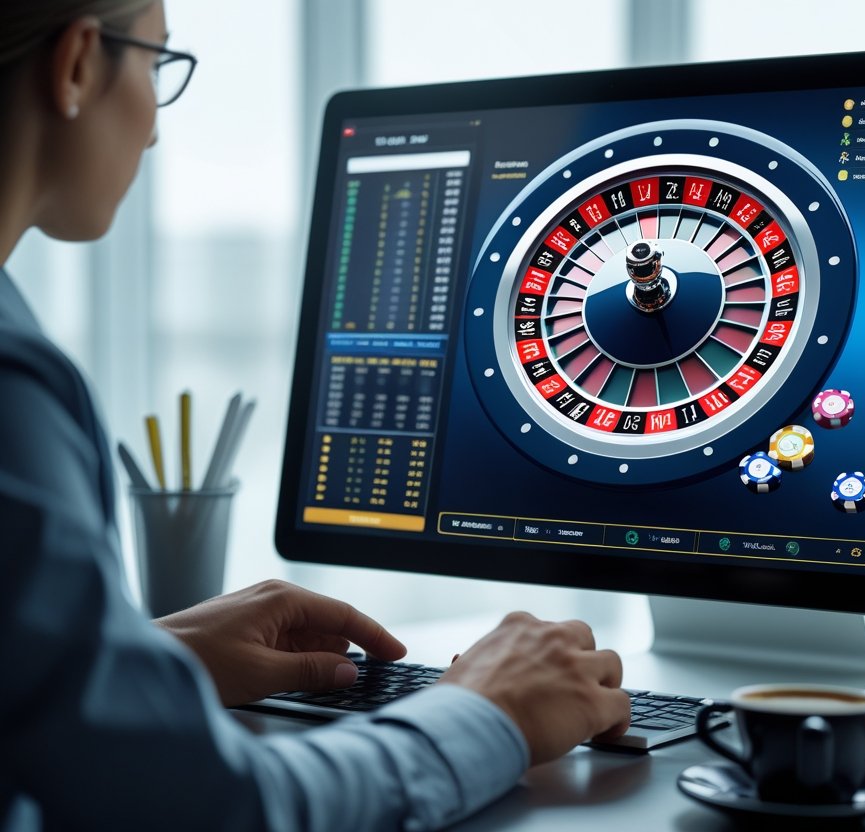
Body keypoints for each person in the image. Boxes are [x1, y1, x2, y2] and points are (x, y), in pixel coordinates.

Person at [0, 2, 631, 829]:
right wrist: (489, 713)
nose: (154, 131)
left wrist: (146, 662)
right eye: (157, 67)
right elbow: (216, 813)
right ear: (79, 62)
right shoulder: (13, 383)